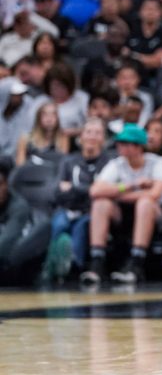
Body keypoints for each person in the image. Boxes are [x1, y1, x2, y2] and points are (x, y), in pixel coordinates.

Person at [81, 124, 162, 285]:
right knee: (101, 203)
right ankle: (97, 262)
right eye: (119, 142)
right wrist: (131, 186)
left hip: (157, 215)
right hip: (125, 214)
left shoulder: (158, 162)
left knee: (145, 203)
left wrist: (116, 194)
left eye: (124, 143)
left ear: (138, 146)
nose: (119, 146)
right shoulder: (117, 164)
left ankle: (136, 262)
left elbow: (155, 194)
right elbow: (94, 191)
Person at [44, 119, 114, 282]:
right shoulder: (68, 161)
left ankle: (75, 266)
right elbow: (57, 192)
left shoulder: (109, 162)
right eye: (88, 132)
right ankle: (54, 267)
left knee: (81, 226)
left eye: (97, 133)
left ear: (103, 139)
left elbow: (101, 192)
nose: (92, 137)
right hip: (68, 208)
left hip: (92, 210)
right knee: (59, 224)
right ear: (81, 137)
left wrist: (75, 188)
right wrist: (87, 189)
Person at [15, 100, 69, 166]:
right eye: (45, 115)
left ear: (58, 119)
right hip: (30, 173)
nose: (49, 119)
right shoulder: (25, 139)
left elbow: (62, 165)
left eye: (53, 115)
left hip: (51, 174)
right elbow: (20, 167)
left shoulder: (62, 137)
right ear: (38, 118)